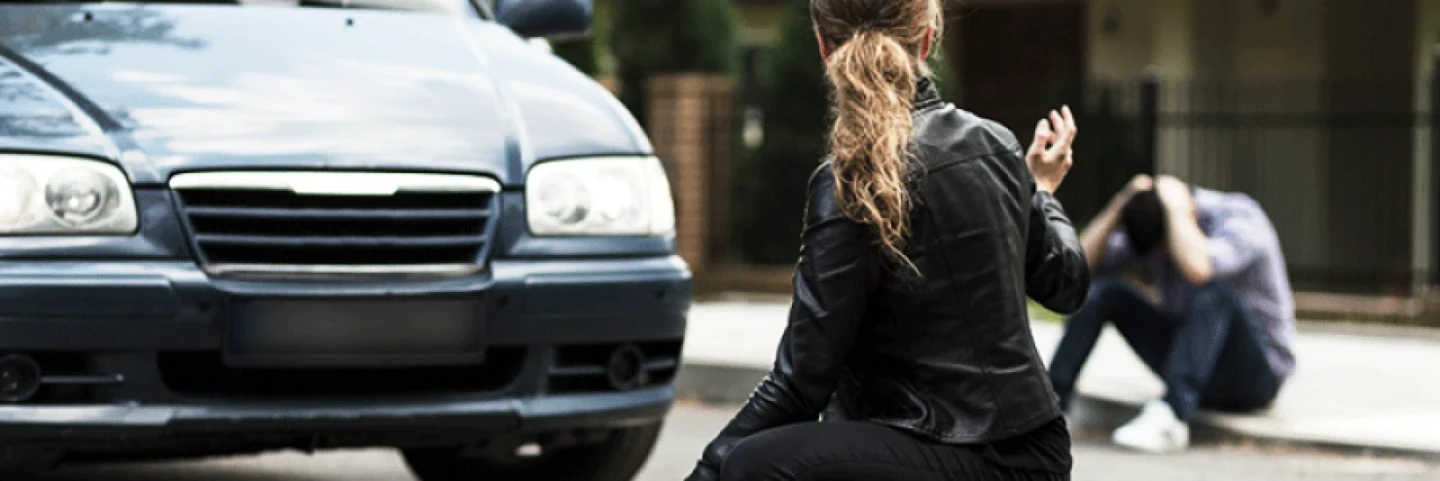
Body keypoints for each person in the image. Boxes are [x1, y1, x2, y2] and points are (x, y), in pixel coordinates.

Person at [683, 1, 1091, 480]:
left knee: (752, 466)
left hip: (965, 458)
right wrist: (1041, 191)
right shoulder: (996, 144)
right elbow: (1066, 284)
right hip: (1032, 454)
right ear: (927, 37)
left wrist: (705, 474)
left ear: (822, 46)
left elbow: (800, 384)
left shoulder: (846, 179)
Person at [1047, 174, 1297, 454]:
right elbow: (1076, 269)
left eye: (1167, 248)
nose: (1166, 257)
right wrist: (1116, 208)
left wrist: (1178, 210)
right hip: (1191, 358)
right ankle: (1050, 406)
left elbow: (1199, 269)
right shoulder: (1153, 229)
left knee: (1215, 293)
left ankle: (1172, 416)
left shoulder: (1242, 218)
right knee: (1106, 292)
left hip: (1255, 376)